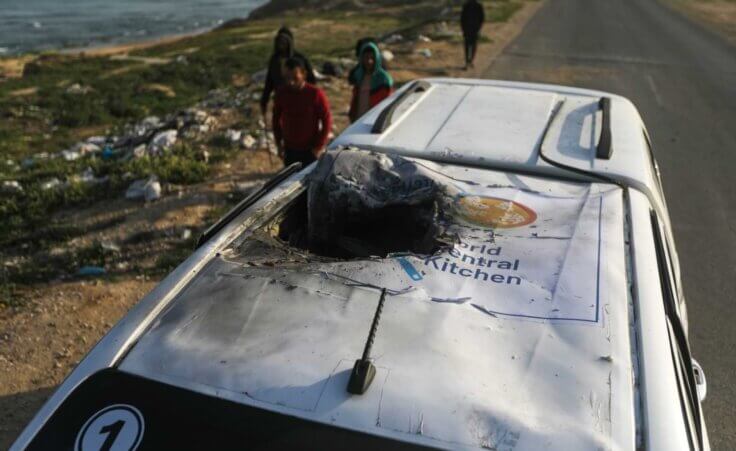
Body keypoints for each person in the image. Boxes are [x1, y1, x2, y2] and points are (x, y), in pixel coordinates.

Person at [272, 57, 332, 167]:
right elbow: (276, 118)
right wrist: (278, 143)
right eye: (287, 78)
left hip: (310, 149)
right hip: (289, 149)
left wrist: (319, 146)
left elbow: (326, 119)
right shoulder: (282, 93)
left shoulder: (315, 94)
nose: (291, 82)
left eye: (295, 77)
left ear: (303, 74)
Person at [260, 27, 316, 117]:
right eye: (279, 41)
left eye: (284, 41)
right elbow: (269, 82)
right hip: (281, 100)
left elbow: (311, 80)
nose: (281, 44)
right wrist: (264, 101)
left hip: (299, 100)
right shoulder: (274, 60)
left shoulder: (300, 59)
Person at [348, 42, 394, 123]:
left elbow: (387, 104)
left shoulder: (383, 79)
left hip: (374, 121)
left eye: (372, 58)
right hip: (358, 120)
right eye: (366, 58)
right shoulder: (358, 76)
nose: (369, 61)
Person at [461, 0, 485, 70]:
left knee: (469, 45)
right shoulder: (467, 5)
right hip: (471, 28)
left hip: (471, 28)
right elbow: (463, 18)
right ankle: (469, 60)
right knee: (470, 45)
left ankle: (469, 60)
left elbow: (481, 18)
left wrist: (479, 27)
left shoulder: (476, 5)